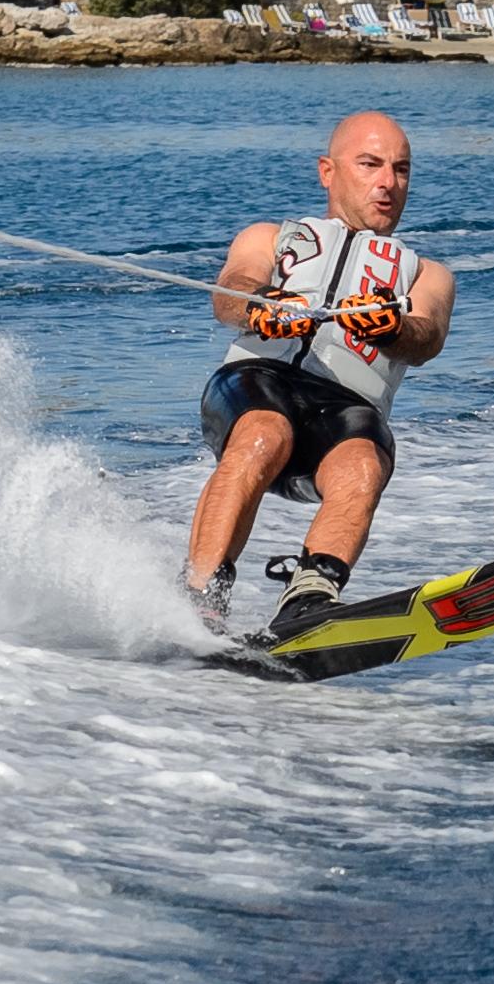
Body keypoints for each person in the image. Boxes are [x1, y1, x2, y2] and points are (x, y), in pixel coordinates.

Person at [183, 109, 456, 639]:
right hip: (256, 385)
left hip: (343, 409)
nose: (388, 183)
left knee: (363, 465)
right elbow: (231, 289)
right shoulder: (270, 236)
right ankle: (200, 594)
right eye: (371, 164)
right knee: (265, 434)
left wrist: (390, 328)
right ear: (327, 172)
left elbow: (427, 338)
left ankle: (309, 598)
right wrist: (259, 303)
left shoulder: (427, 274)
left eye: (401, 170)